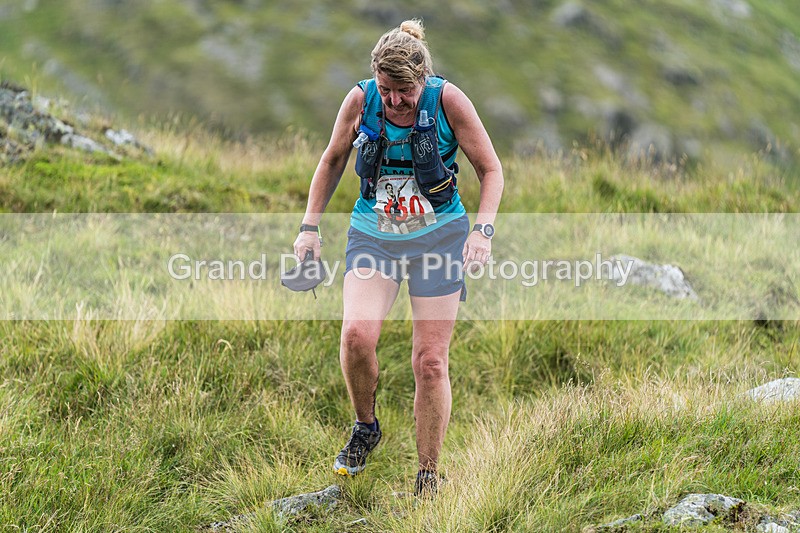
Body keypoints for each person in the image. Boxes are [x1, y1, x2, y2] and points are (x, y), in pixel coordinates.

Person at [293, 19, 503, 496]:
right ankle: (366, 426)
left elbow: (491, 170)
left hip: (439, 238)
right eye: (387, 90)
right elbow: (331, 161)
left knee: (430, 361)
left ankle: (428, 472)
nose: (394, 101)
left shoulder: (449, 101)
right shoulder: (359, 99)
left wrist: (483, 232)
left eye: (403, 91)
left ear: (422, 79)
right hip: (375, 236)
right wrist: (309, 228)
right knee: (355, 336)